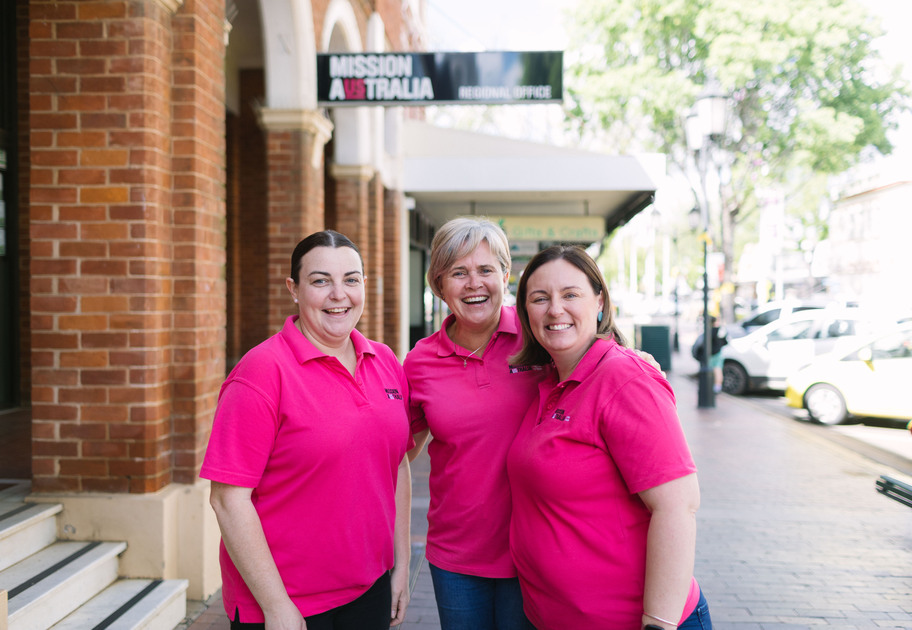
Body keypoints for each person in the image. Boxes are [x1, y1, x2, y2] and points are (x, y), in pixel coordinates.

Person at [200, 230, 413, 630]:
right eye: (320, 281)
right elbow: (229, 500)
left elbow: (397, 462)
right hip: (286, 601)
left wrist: (400, 565)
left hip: (368, 590)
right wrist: (277, 607)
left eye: (351, 279)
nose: (339, 294)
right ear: (294, 290)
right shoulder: (262, 372)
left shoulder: (384, 360)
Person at [507, 245, 712, 630]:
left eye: (571, 295)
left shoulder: (624, 378)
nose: (555, 309)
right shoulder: (549, 381)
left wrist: (658, 624)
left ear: (599, 302)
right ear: (525, 313)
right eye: (540, 298)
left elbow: (678, 507)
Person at [404, 218, 537, 630]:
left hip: (534, 553)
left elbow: (598, 360)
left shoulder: (541, 339)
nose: (473, 283)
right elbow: (396, 454)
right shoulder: (420, 362)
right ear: (439, 285)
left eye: (485, 270)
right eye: (458, 273)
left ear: (505, 275)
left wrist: (639, 361)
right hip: (456, 558)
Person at [708, 316, 728, 393]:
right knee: (718, 370)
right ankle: (717, 387)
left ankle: (716, 387)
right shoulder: (720, 330)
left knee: (716, 370)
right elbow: (725, 341)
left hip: (713, 354)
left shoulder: (711, 331)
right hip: (718, 352)